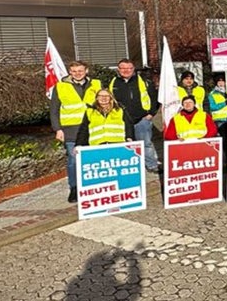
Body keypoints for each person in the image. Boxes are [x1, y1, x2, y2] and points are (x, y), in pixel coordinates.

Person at [50, 60, 102, 203]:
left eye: (80, 71)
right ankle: (74, 188)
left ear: (86, 71)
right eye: (74, 71)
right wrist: (58, 129)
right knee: (74, 160)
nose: (77, 74)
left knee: (94, 160)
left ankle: (94, 187)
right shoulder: (60, 87)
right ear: (69, 72)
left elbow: (104, 103)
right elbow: (54, 110)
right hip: (71, 130)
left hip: (93, 128)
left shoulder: (96, 84)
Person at [109, 59, 159, 172]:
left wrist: (151, 113)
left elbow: (155, 98)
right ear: (118, 69)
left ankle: (152, 165)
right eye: (123, 68)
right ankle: (131, 168)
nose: (126, 70)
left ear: (133, 69)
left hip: (142, 119)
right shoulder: (113, 82)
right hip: (122, 121)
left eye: (129, 68)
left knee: (146, 144)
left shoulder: (144, 81)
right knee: (125, 146)